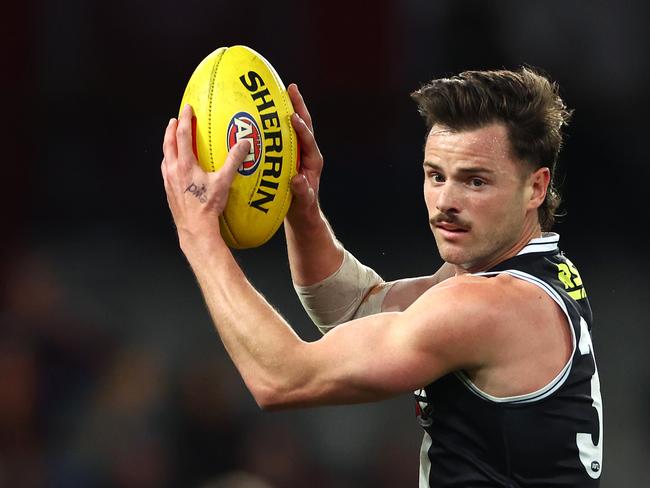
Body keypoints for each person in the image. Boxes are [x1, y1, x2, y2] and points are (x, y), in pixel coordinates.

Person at [161, 67, 603, 487]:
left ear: (536, 188)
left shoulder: (490, 305)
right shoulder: (526, 275)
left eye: (475, 182)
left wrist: (198, 234)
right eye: (435, 175)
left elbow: (281, 379)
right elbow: (357, 311)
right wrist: (301, 208)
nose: (445, 200)